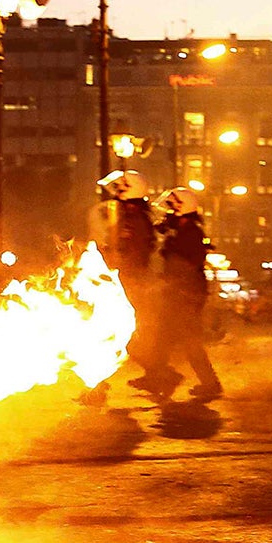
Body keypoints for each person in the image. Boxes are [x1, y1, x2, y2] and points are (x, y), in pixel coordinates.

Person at [139, 187, 223, 402]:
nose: (167, 211)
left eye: (171, 206)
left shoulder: (190, 232)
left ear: (180, 208)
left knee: (189, 341)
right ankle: (159, 376)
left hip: (187, 295)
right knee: (163, 337)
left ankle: (210, 384)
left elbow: (186, 265)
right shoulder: (182, 229)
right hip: (179, 293)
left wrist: (168, 282)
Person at [88, 169, 160, 392]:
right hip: (121, 281)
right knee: (107, 332)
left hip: (127, 282)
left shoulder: (134, 221)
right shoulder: (127, 217)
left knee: (118, 333)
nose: (115, 194)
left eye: (119, 190)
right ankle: (96, 386)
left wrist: (116, 269)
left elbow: (133, 254)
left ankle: (159, 374)